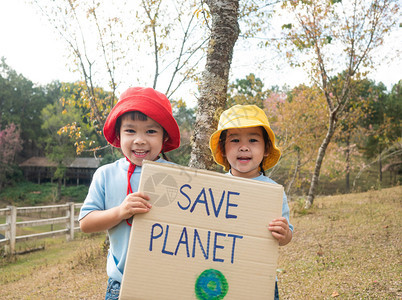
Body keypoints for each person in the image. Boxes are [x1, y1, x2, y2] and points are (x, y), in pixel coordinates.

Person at [79, 87, 180, 300]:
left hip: (169, 285)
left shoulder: (178, 177)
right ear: (118, 134)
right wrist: (121, 211)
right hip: (121, 285)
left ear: (164, 136)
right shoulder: (105, 174)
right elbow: (86, 223)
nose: (140, 140)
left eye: (151, 131)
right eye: (131, 131)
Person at [209, 104, 293, 300]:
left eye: (253, 140)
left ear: (266, 149)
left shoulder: (273, 192)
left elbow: (285, 238)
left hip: (258, 280)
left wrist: (284, 233)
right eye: (235, 140)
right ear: (223, 149)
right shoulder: (212, 188)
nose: (244, 146)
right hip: (217, 278)